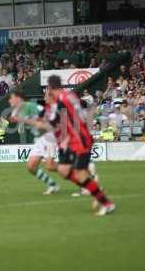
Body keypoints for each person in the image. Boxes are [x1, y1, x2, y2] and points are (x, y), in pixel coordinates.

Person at [46, 75, 115, 216]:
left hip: (80, 140)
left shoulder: (62, 101)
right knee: (66, 170)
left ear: (51, 88)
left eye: (48, 89)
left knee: (80, 174)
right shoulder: (70, 96)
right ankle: (99, 194)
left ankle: (105, 202)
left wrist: (64, 139)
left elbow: (62, 122)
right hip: (80, 137)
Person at [9, 90, 60, 195]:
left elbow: (43, 120)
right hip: (39, 139)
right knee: (31, 166)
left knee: (50, 166)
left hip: (49, 136)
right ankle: (52, 185)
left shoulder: (31, 106)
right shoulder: (18, 110)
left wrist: (22, 120)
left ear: (18, 98)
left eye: (11, 98)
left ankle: (79, 173)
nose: (9, 100)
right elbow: (13, 118)